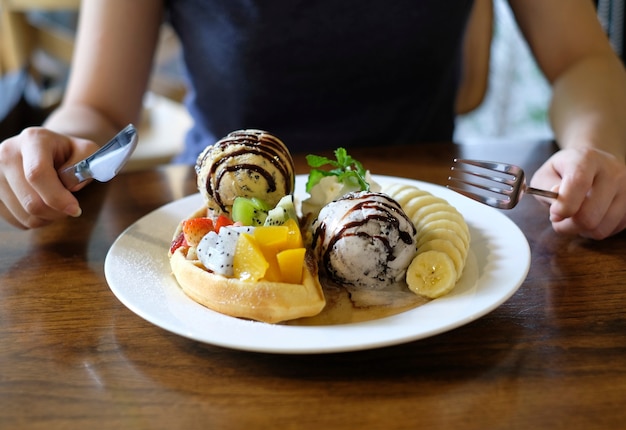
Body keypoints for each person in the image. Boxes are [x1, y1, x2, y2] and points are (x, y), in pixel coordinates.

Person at [1, 0, 625, 240]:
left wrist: (596, 152)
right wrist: (61, 145)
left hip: (420, 205)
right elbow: (101, 106)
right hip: (220, 218)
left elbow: (581, 59)